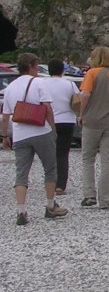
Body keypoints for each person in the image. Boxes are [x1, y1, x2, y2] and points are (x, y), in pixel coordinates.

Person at [1, 53, 68, 225]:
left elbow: (6, 116)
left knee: (21, 173)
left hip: (20, 134)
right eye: (37, 65)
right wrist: (53, 129)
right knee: (50, 169)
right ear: (31, 65)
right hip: (40, 131)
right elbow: (46, 107)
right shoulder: (39, 82)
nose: (38, 69)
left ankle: (21, 210)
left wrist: (4, 137)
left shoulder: (10, 87)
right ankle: (50, 205)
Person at [78, 46, 109, 210]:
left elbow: (85, 94)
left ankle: (89, 195)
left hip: (92, 120)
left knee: (88, 158)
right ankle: (106, 198)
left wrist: (81, 114)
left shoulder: (92, 73)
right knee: (108, 160)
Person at [42, 59, 80, 196]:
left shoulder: (43, 84)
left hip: (48, 122)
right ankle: (61, 185)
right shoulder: (69, 84)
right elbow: (77, 100)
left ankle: (50, 182)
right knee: (63, 154)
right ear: (62, 70)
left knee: (49, 154)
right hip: (67, 120)